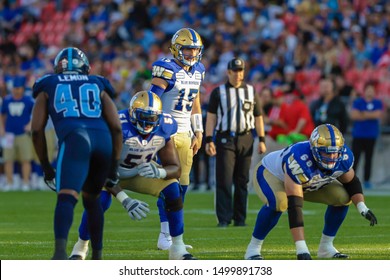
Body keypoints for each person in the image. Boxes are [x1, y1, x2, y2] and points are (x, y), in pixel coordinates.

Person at [69, 90, 196, 260]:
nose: (148, 122)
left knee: (173, 188)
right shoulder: (117, 126)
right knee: (100, 201)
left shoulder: (165, 126)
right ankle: (80, 247)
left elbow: (175, 168)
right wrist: (125, 200)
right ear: (132, 113)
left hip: (139, 172)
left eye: (152, 117)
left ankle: (178, 248)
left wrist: (160, 171)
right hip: (109, 173)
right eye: (143, 116)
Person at [31, 47, 123, 260]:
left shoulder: (48, 83)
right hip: (103, 141)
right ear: (86, 68)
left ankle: (60, 254)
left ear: (57, 68)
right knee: (92, 200)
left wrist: (46, 167)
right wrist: (114, 166)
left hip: (75, 139)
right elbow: (116, 127)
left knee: (67, 198)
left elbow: (36, 130)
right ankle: (98, 257)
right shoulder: (97, 82)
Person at [244, 124, 378, 260]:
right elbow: (295, 206)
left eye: (335, 152)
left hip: (307, 182)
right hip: (272, 173)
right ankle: (253, 249)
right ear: (314, 150)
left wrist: (362, 207)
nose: (332, 156)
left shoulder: (344, 157)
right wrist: (302, 249)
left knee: (343, 197)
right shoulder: (299, 159)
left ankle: (326, 247)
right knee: (280, 203)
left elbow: (351, 182)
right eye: (326, 152)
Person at [149, 27, 205, 249]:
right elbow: (152, 100)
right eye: (187, 50)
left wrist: (198, 131)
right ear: (176, 49)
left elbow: (196, 102)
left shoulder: (199, 70)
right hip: (168, 133)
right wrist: (156, 130)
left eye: (194, 50)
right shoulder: (166, 69)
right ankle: (165, 234)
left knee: (182, 186)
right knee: (169, 186)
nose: (192, 54)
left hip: (186, 133)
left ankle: (174, 234)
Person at [205, 57, 267, 227]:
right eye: (236, 71)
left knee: (242, 180)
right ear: (229, 72)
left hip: (246, 137)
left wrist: (261, 139)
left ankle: (240, 219)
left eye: (241, 70)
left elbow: (258, 116)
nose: (239, 74)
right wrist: (209, 139)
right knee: (224, 179)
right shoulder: (219, 92)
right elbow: (211, 117)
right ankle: (224, 218)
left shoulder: (251, 91)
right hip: (226, 138)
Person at [0, 76, 34, 191]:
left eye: (18, 88)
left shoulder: (28, 100)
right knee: (8, 159)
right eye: (15, 88)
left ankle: (25, 182)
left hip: (23, 134)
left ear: (23, 89)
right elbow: (2, 115)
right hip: (9, 134)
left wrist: (30, 124)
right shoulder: (7, 100)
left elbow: (35, 113)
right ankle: (9, 182)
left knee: (25, 159)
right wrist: (2, 128)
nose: (16, 90)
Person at [350, 81, 384, 189]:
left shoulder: (378, 102)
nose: (370, 91)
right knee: (355, 159)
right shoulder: (358, 102)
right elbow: (354, 115)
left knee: (368, 159)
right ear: (364, 91)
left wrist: (364, 114)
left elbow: (378, 115)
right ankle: (351, 180)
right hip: (358, 135)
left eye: (372, 90)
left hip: (371, 135)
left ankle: (367, 180)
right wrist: (371, 115)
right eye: (368, 89)